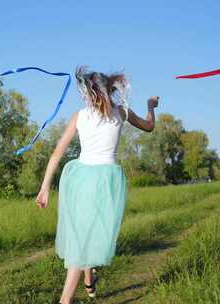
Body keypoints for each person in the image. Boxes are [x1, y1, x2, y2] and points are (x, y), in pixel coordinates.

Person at [36, 67, 159, 304]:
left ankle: (89, 280)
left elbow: (56, 154)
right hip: (103, 181)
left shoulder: (80, 116)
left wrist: (44, 186)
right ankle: (66, 300)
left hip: (80, 179)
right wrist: (151, 106)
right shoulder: (121, 112)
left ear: (90, 93)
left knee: (85, 232)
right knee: (85, 237)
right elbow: (149, 126)